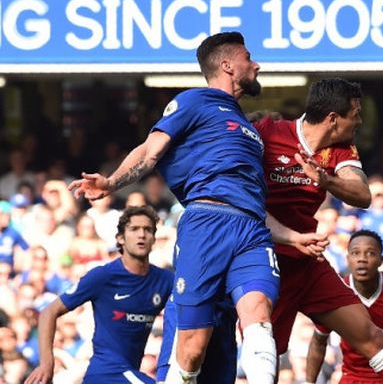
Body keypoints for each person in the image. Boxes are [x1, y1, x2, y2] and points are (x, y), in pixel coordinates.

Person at [67, 32, 316, 384]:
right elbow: (150, 150)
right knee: (193, 348)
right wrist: (111, 182)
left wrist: (292, 237)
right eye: (249, 57)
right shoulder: (195, 101)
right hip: (207, 223)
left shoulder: (248, 129)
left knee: (259, 317)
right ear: (228, 65)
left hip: (252, 231)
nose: (256, 64)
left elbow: (253, 203)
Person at [254, 78, 383, 383]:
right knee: (266, 354)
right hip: (267, 259)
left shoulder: (340, 148)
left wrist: (326, 181)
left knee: (371, 336)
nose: (360, 121)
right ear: (334, 119)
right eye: (356, 113)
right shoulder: (268, 133)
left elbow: (362, 194)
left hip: (309, 261)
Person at [24, 206, 173, 384]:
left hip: (130, 372)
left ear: (153, 238)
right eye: (134, 229)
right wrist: (47, 363)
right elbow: (49, 312)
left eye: (147, 229)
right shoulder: (103, 276)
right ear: (121, 239)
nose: (141, 234)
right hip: (106, 373)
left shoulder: (165, 280)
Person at [305, 230, 383, 382]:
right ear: (347, 259)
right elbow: (318, 341)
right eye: (355, 253)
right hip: (357, 376)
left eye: (370, 253)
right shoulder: (335, 295)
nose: (362, 259)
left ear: (381, 259)